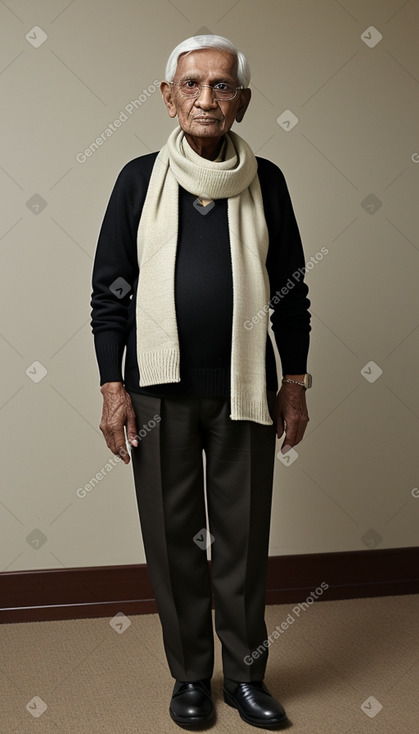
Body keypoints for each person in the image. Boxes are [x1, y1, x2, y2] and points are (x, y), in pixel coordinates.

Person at [91, 34, 311, 730]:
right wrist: (112, 386)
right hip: (156, 394)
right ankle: (190, 676)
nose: (205, 99)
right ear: (167, 97)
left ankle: (245, 678)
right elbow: (109, 293)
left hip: (247, 388)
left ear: (240, 101)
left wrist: (296, 381)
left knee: (242, 542)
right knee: (173, 537)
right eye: (191, 85)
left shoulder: (266, 179)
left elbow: (291, 293)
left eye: (221, 86)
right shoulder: (136, 179)